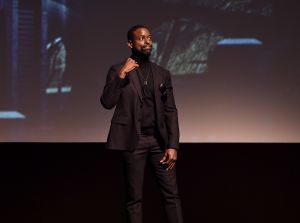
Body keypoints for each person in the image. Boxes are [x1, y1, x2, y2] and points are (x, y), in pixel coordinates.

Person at [100, 25, 183, 223]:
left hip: (158, 143)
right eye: (142, 38)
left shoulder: (162, 73)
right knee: (134, 198)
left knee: (171, 195)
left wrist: (172, 145)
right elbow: (107, 102)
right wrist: (121, 75)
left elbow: (171, 110)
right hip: (133, 142)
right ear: (130, 43)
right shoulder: (118, 70)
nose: (147, 42)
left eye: (149, 38)